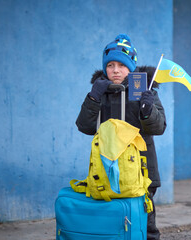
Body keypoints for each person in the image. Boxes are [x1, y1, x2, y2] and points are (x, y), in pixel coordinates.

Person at [76, 34, 166, 240]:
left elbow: (159, 127)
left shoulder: (145, 89)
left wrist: (147, 110)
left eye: (121, 65)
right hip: (108, 168)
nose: (115, 70)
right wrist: (93, 98)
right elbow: (85, 126)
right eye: (110, 65)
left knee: (144, 225)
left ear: (131, 67)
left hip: (142, 170)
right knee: (111, 225)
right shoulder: (99, 91)